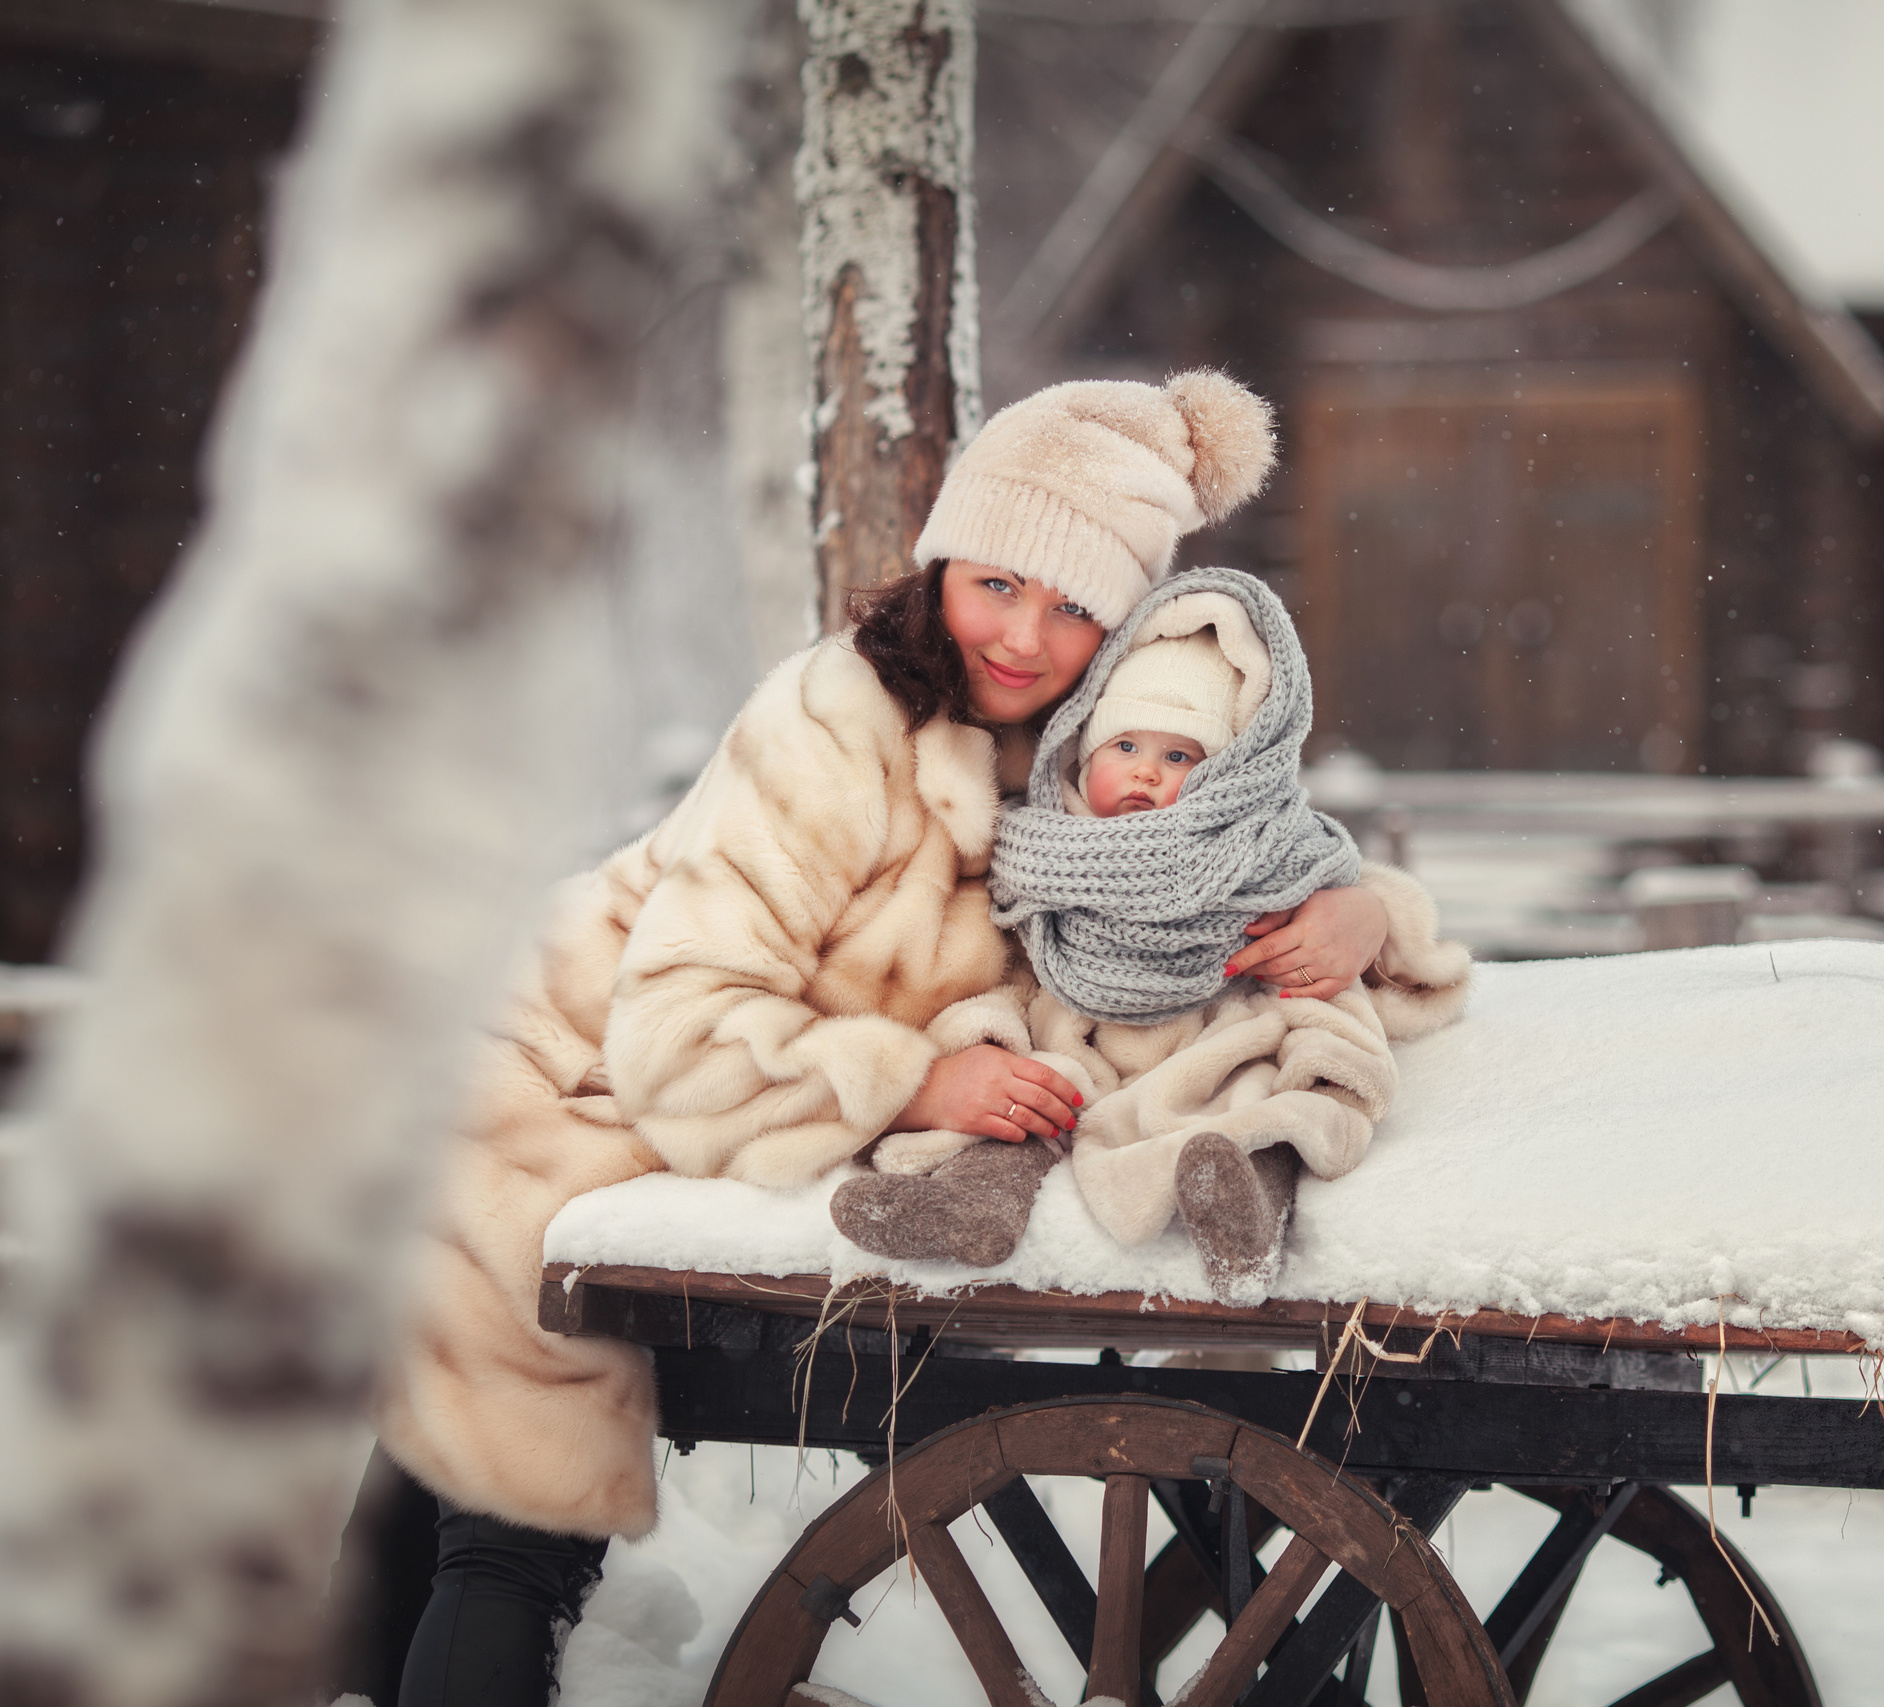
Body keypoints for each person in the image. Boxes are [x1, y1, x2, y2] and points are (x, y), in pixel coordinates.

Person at [336, 371, 1397, 1707]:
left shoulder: (1087, 762)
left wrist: (1355, 908)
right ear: (941, 556)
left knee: (441, 1467)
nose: (1025, 635)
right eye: (1000, 583)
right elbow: (681, 1027)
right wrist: (915, 1079)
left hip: (642, 1072)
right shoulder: (832, 724)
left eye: (1078, 608)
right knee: (513, 1515)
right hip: (565, 1064)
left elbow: (1251, 848)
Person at [832, 565, 1472, 1302]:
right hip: (1080, 1033)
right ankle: (973, 1204)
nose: (1145, 775)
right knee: (1019, 1083)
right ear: (1083, 748)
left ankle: (1248, 1213)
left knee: (1266, 1098)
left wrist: (1370, 913)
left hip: (1219, 1025)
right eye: (1126, 748)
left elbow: (1344, 895)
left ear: (1226, 774)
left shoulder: (1265, 840)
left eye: (1179, 757)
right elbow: (1001, 940)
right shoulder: (1040, 842)